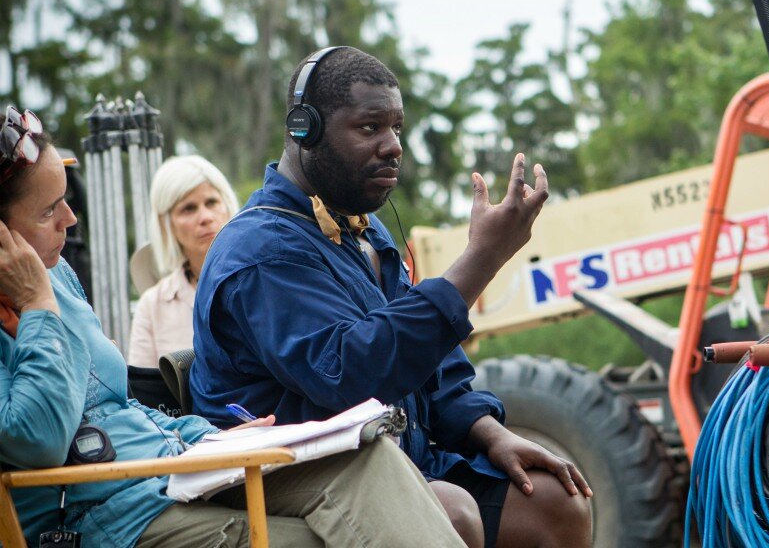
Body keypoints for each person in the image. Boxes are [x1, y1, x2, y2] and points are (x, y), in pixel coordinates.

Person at [0, 106, 466, 548]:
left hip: (170, 469)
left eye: (66, 201)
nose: (70, 219)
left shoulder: (54, 273)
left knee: (369, 457)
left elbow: (116, 407)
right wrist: (37, 306)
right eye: (48, 211)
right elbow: (39, 439)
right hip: (103, 511)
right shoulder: (46, 288)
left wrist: (207, 436)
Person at [191, 47, 593, 548]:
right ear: (304, 130)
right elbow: (349, 375)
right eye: (369, 128)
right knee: (453, 512)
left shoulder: (364, 231)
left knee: (556, 503)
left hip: (397, 459)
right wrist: (482, 259)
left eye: (397, 128)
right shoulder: (262, 249)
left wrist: (492, 433)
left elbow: (430, 362)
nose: (393, 146)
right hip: (301, 473)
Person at [128, 155, 239, 367]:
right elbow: (143, 384)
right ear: (165, 224)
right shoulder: (152, 306)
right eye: (189, 208)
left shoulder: (261, 279)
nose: (205, 217)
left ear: (227, 204)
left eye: (211, 202)